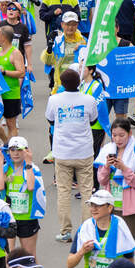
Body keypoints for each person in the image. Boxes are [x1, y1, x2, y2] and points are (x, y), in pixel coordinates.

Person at [47, 67, 104, 241]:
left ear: (62, 84)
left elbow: (50, 119)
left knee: (64, 192)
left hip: (62, 152)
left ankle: (65, 232)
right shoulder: (88, 99)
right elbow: (94, 119)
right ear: (78, 82)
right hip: (84, 151)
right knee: (87, 191)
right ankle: (88, 230)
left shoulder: (54, 99)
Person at [95, 116, 135, 237]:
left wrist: (124, 168)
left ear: (130, 134)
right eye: (114, 135)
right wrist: (107, 166)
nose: (117, 139)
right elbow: (102, 180)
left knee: (127, 249)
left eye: (121, 135)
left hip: (130, 210)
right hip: (110, 207)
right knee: (110, 246)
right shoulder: (107, 150)